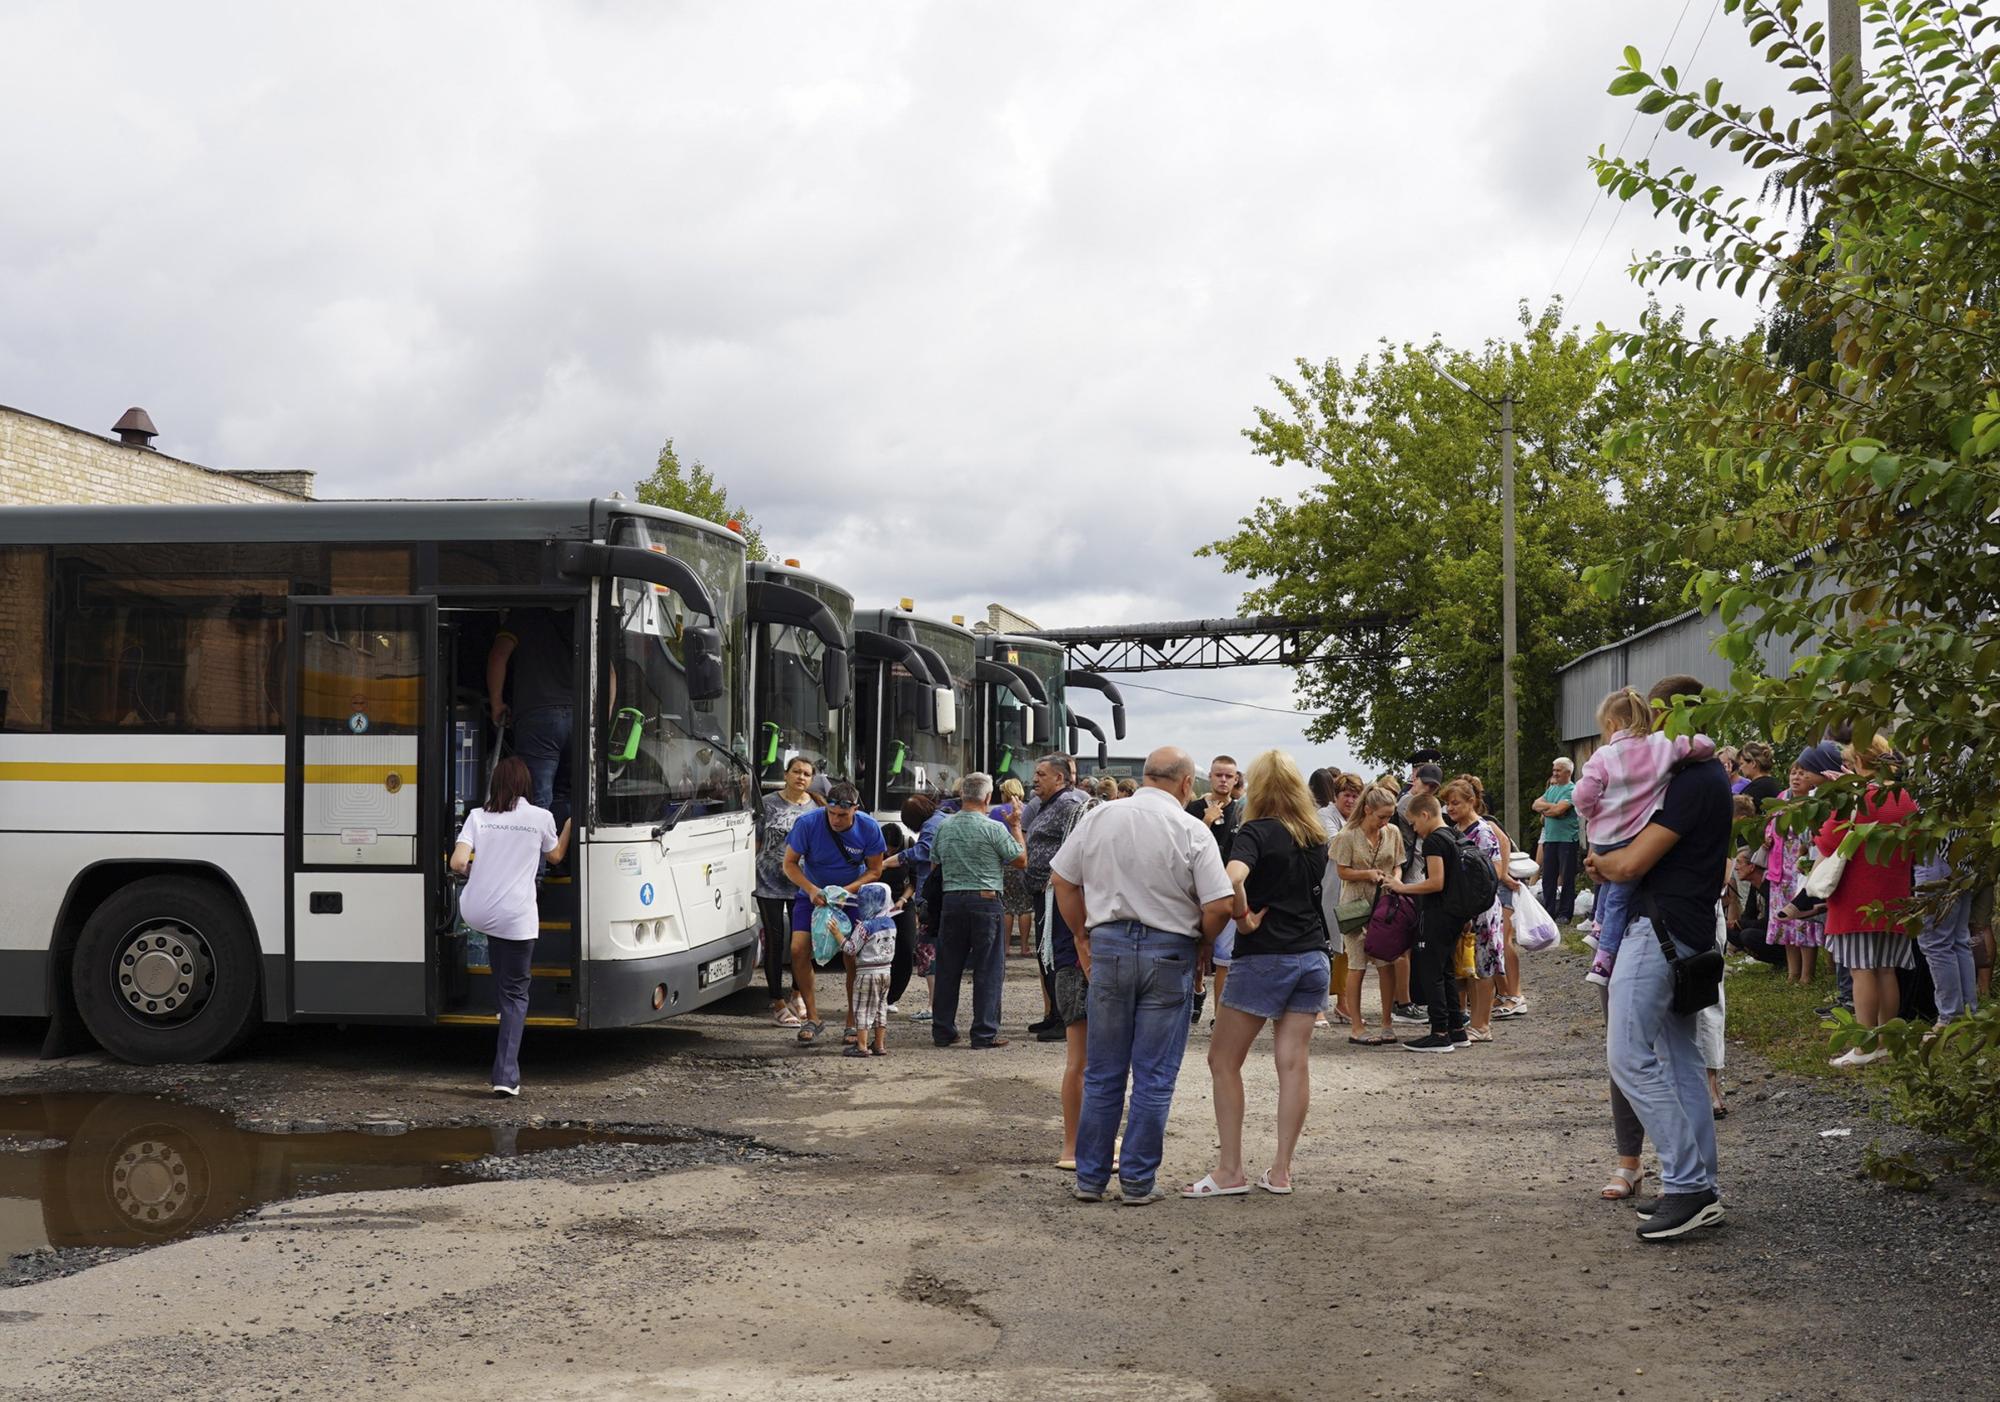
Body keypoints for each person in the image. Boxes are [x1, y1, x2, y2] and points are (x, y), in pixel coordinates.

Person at [1052, 746, 1233, 1206]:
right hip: (1169, 950)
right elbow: (1220, 904)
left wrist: (1079, 936)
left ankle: (1090, 1179)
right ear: (1187, 784)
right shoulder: (1192, 829)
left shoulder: (1099, 817)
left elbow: (1062, 879)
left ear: (1147, 775)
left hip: (1109, 945)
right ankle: (1137, 1181)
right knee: (1154, 1074)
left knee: (1103, 1071)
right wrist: (1203, 945)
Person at [1585, 674, 1729, 1241]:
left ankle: (1687, 1184)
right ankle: (1701, 1187)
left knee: (1626, 1055)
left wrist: (1604, 862)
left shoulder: (1693, 781)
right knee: (1680, 1059)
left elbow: (1628, 864)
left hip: (1659, 931)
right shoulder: (1699, 774)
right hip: (1686, 931)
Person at [1185, 750, 1331, 1198]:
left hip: (1265, 956)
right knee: (1293, 1063)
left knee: (1223, 1061)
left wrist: (1244, 917)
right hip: (1313, 956)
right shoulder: (1315, 834)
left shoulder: (1255, 831)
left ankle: (1231, 1169)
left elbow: (1231, 877)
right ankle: (1281, 1171)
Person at [1573, 688, 1716, 986]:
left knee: (1611, 889)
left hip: (1604, 834)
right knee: (1619, 897)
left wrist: (1592, 811)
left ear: (1611, 724)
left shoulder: (1604, 755)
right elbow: (1705, 745)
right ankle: (1603, 947)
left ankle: (1603, 946)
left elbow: (1584, 794)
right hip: (1636, 835)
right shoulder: (1661, 746)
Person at [450, 755, 573, 1096]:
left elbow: (458, 861)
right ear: (525, 786)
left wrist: (479, 874)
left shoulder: (478, 816)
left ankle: (501, 1008)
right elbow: (555, 856)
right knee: (517, 994)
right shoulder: (540, 817)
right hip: (516, 917)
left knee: (502, 974)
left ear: (496, 785)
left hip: (478, 910)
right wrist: (569, 825)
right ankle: (505, 1077)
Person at [1820, 736, 1919, 1067]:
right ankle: (1888, 1041)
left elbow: (1828, 840)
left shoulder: (1858, 798)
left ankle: (1864, 1045)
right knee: (1886, 969)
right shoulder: (1905, 797)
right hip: (1894, 894)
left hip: (1857, 896)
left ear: (1860, 763)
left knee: (1861, 970)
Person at [782, 781, 887, 1045]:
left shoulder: (869, 827)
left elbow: (875, 870)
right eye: (831, 813)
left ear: (854, 809)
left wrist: (845, 891)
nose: (836, 820)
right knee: (797, 949)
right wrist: (810, 889)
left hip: (850, 899)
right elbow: (789, 864)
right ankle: (812, 1018)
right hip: (813, 894)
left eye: (842, 815)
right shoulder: (808, 824)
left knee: (852, 956)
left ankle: (852, 1021)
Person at [930, 772, 1027, 1050]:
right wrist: (1016, 826)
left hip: (951, 901)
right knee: (988, 969)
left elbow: (935, 864)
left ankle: (943, 1031)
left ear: (962, 796)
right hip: (985, 902)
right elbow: (1020, 859)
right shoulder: (993, 828)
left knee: (948, 969)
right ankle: (984, 1033)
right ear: (987, 798)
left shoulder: (944, 827)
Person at [1386, 794, 1465, 1053]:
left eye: (1413, 823)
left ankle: (1439, 1032)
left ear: (1425, 815)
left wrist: (1402, 887)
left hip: (1438, 913)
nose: (1413, 829)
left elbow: (1436, 882)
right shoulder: (1454, 835)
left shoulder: (1433, 841)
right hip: (1455, 912)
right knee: (1446, 971)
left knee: (1432, 972)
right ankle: (1457, 1029)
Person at [485, 608, 576, 830]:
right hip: (578, 718)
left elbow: (498, 655)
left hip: (538, 717)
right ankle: (562, 860)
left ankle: (538, 865)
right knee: (565, 794)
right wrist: (602, 718)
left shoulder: (524, 615)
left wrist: (496, 702)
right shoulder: (581, 617)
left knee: (537, 800)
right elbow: (610, 673)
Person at [1022, 754, 1091, 1039]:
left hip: (1058, 895)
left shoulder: (1069, 806)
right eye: (1035, 773)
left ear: (1059, 778)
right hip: (1043, 894)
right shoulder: (1045, 805)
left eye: (1041, 774)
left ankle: (1067, 1020)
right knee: (1046, 956)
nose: (1035, 779)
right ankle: (1054, 1014)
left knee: (1062, 954)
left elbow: (1077, 847)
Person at [1331, 785, 1405, 1044]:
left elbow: (1398, 865)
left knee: (1387, 962)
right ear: (1367, 810)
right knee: (1357, 964)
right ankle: (1356, 1026)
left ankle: (1387, 1022)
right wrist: (1367, 874)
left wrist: (1395, 881)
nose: (1385, 822)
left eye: (1389, 817)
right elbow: (1341, 871)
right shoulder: (1347, 836)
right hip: (1355, 906)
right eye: (1381, 817)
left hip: (1385, 906)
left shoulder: (1393, 833)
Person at [1442, 777, 1511, 1042]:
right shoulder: (1457, 829)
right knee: (1467, 964)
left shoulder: (1482, 832)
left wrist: (1471, 907)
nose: (1451, 808)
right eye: (1448, 803)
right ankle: (1467, 1018)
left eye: (1456, 802)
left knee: (1484, 964)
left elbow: (1491, 873)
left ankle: (1483, 1024)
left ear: (1472, 801)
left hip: (1480, 907)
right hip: (1464, 906)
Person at [756, 757, 817, 1026]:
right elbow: (756, 841)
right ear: (786, 774)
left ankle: (797, 993)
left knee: (803, 942)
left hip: (802, 883)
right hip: (768, 880)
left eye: (806, 773)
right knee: (774, 941)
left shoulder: (815, 808)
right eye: (796, 772)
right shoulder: (768, 804)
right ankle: (777, 1002)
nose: (800, 777)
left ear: (812, 779)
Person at [1189, 756, 1244, 1016]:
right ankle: (1195, 994)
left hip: (1226, 892)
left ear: (1235, 780)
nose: (1223, 780)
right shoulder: (1192, 809)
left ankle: (1220, 1017)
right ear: (1210, 777)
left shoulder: (1242, 812)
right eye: (1218, 775)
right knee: (1194, 954)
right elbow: (1183, 847)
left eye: (1228, 776)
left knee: (1225, 958)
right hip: (1195, 892)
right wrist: (1207, 821)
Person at [1764, 764, 1825, 985]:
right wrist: (1768, 836)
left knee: (1804, 920)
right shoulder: (1782, 798)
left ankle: (1807, 974)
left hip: (1802, 866)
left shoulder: (1814, 803)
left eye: (1801, 774)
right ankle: (1792, 972)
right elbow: (1770, 826)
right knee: (1785, 921)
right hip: (1780, 869)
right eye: (1793, 773)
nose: (1796, 778)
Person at [840, 883, 899, 1059]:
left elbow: (851, 949)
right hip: (886, 972)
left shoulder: (864, 927)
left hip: (867, 973)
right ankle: (879, 1044)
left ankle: (862, 1046)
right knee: (881, 1007)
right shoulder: (891, 922)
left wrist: (838, 935)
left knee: (863, 1009)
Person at [1533, 756, 1580, 922]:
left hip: (1567, 839)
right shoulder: (1551, 790)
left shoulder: (1572, 790)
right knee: (1548, 877)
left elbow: (1559, 810)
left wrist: (1549, 810)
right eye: (1554, 770)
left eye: (1558, 770)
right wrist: (1552, 809)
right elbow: (1535, 804)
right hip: (1551, 839)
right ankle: (1549, 911)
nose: (1555, 773)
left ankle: (1565, 913)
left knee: (1566, 877)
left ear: (1568, 772)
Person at [994, 777, 1036, 957]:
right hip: (1024, 862)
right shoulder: (1029, 810)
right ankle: (1025, 946)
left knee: (1007, 907)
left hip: (1004, 864)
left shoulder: (996, 812)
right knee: (1025, 907)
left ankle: (1006, 946)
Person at [1736, 742, 1781, 809]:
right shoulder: (1772, 783)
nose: (1740, 768)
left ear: (1753, 763)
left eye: (1742, 764)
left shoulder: (1755, 789)